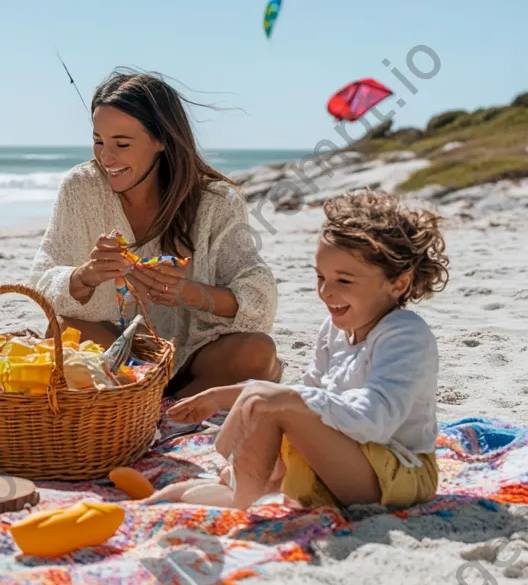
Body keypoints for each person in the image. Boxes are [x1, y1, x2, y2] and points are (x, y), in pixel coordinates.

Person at [149, 189, 449, 510]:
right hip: (345, 461)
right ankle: (237, 493)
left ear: (399, 284)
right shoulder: (333, 329)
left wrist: (284, 399)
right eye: (320, 277)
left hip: (396, 474)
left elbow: (374, 421)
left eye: (344, 281)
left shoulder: (405, 334)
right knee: (269, 403)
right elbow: (312, 392)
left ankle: (243, 495)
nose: (325, 291)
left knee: (277, 402)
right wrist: (224, 396)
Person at [29, 70, 279, 398]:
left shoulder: (216, 202)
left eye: (122, 143)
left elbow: (259, 297)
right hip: (116, 352)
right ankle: (164, 406)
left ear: (161, 140)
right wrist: (85, 276)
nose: (106, 157)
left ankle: (153, 405)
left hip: (194, 356)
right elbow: (42, 281)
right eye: (98, 140)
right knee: (60, 330)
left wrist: (189, 293)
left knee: (258, 352)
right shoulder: (81, 187)